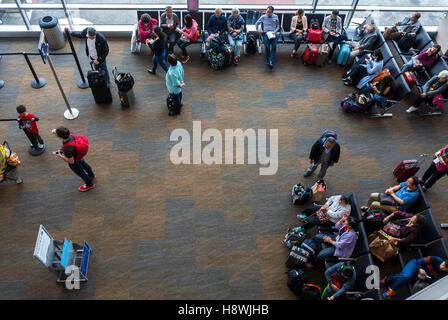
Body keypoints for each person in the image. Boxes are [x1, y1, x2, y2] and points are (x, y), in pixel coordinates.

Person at [52, 126, 95, 192]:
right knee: (85, 165)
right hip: (79, 156)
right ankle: (91, 175)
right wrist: (56, 131)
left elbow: (71, 161)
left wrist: (60, 155)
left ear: (60, 137)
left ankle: (89, 184)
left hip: (75, 161)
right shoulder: (71, 135)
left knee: (81, 173)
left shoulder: (67, 149)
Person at [381, 256, 448, 299]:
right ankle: (392, 291)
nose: (442, 266)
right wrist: (420, 269)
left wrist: (425, 278)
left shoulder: (444, 276)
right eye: (444, 263)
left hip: (418, 276)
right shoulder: (436, 259)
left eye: (445, 267)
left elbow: (433, 282)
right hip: (414, 265)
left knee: (404, 278)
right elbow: (419, 261)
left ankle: (386, 280)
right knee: (406, 276)